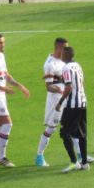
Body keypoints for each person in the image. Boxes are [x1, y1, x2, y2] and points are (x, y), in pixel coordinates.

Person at [0, 32, 29, 167]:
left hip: (0, 95)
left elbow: (5, 75)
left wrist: (19, 86)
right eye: (0, 43)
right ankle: (2, 157)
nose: (3, 45)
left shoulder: (1, 56)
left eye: (4, 42)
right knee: (7, 124)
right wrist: (4, 89)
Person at [36, 37, 69, 166]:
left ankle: (81, 155)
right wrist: (61, 92)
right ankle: (39, 156)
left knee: (72, 126)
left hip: (66, 99)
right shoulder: (50, 64)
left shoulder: (63, 61)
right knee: (51, 129)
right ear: (59, 48)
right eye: (65, 48)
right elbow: (49, 86)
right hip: (55, 101)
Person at [56, 46, 89, 172]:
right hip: (82, 102)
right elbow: (79, 82)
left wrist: (60, 102)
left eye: (62, 53)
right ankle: (85, 163)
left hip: (72, 105)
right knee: (82, 134)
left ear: (66, 55)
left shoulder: (66, 68)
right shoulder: (77, 66)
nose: (61, 55)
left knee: (64, 132)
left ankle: (74, 162)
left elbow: (69, 87)